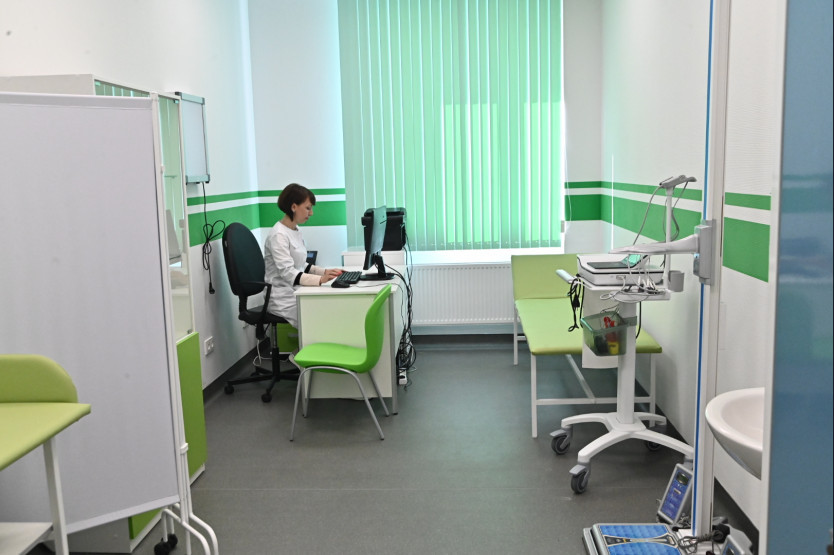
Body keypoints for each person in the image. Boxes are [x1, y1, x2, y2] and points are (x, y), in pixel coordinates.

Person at [263, 183, 342, 327]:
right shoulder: (278, 235)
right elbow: (288, 272)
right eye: (308, 208)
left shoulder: (295, 230)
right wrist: (320, 280)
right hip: (282, 297)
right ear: (294, 207)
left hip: (295, 290)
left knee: (328, 308)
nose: (311, 213)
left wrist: (325, 272)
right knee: (320, 319)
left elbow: (301, 265)